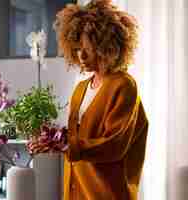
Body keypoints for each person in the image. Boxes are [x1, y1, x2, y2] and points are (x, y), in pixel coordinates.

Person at [52, 0, 149, 199]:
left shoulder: (123, 85)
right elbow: (77, 139)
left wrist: (70, 146)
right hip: (74, 191)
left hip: (108, 193)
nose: (82, 56)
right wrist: (53, 140)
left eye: (89, 47)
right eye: (77, 48)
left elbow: (115, 145)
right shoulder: (80, 89)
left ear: (108, 45)